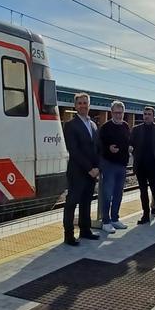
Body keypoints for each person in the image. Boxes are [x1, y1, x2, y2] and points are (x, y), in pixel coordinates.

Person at [61, 93, 101, 246]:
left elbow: (96, 148)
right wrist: (90, 168)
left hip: (92, 172)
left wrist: (97, 167)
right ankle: (69, 235)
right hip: (77, 171)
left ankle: (85, 230)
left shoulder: (93, 124)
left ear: (89, 105)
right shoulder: (70, 125)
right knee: (72, 203)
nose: (83, 105)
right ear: (75, 106)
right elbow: (74, 150)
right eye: (80, 103)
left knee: (86, 202)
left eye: (85, 103)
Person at [98, 101, 131, 234]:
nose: (118, 115)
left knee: (118, 193)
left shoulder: (125, 126)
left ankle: (115, 218)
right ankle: (106, 221)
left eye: (120, 112)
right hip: (109, 164)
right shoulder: (105, 127)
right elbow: (99, 146)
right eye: (116, 112)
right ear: (111, 113)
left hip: (122, 165)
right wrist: (108, 148)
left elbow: (127, 141)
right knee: (107, 193)